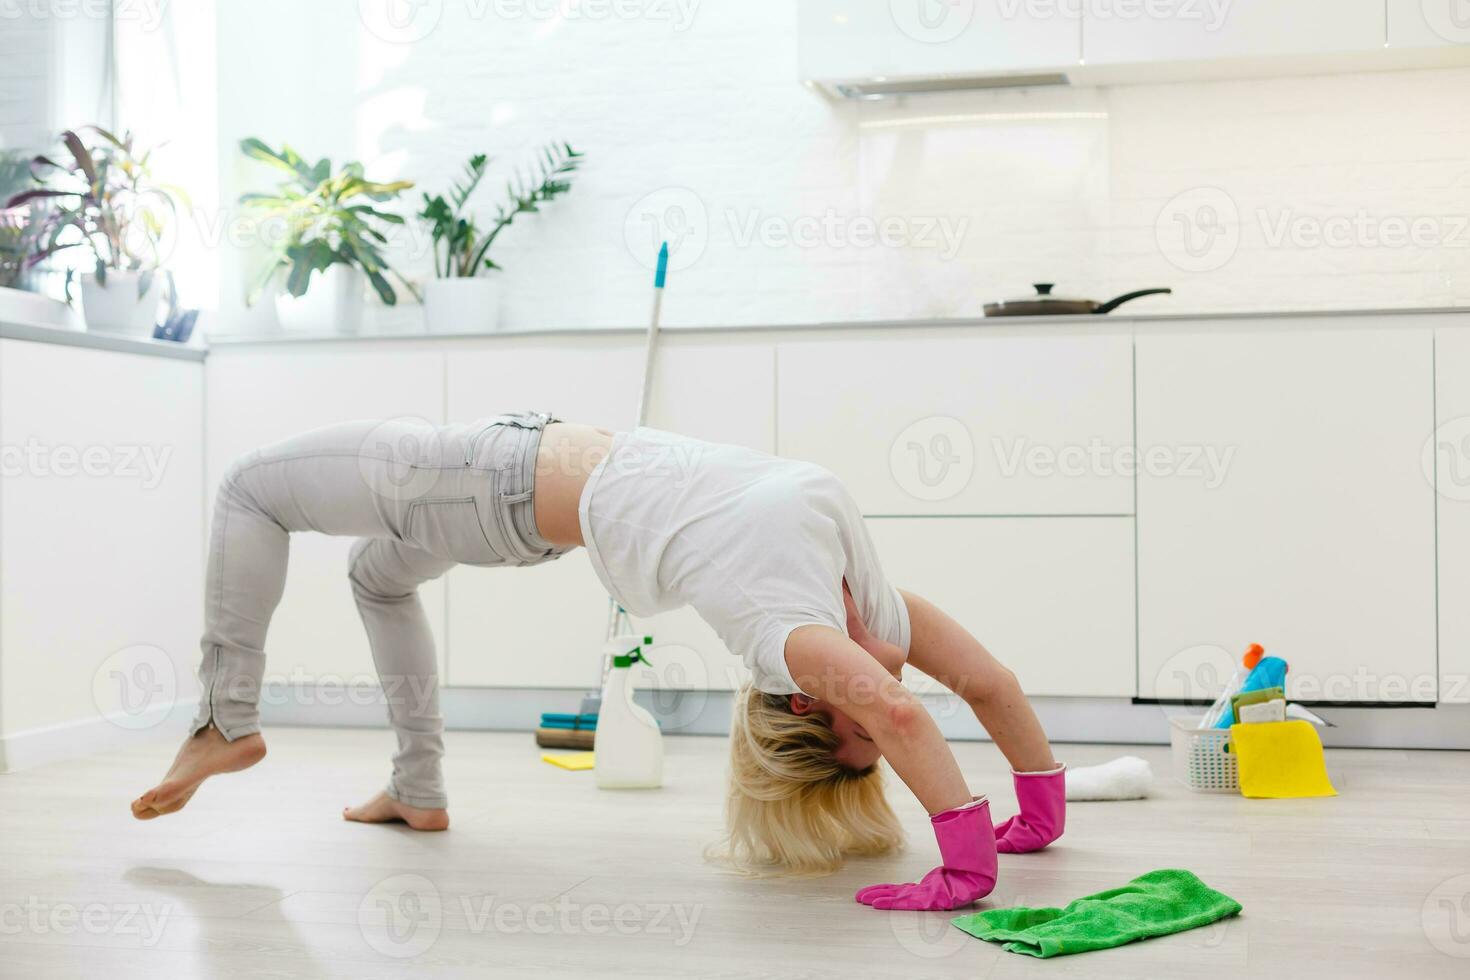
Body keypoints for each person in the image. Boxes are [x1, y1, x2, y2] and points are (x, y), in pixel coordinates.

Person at [133, 413, 1065, 911]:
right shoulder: (872, 610)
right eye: (878, 727)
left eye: (861, 727)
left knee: (249, 487)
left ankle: (225, 722)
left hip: (482, 479)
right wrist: (1037, 811)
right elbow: (990, 683)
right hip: (505, 496)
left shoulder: (785, 636)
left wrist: (968, 868)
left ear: (812, 704)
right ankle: (417, 789)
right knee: (378, 579)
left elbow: (904, 718)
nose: (888, 700)